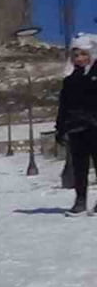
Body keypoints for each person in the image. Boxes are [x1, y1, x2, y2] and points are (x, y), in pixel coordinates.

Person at [56, 33, 97, 216]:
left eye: (83, 54)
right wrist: (60, 128)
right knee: (79, 167)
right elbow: (63, 105)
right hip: (75, 127)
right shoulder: (69, 79)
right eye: (76, 55)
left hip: (95, 126)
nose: (80, 59)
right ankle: (80, 201)